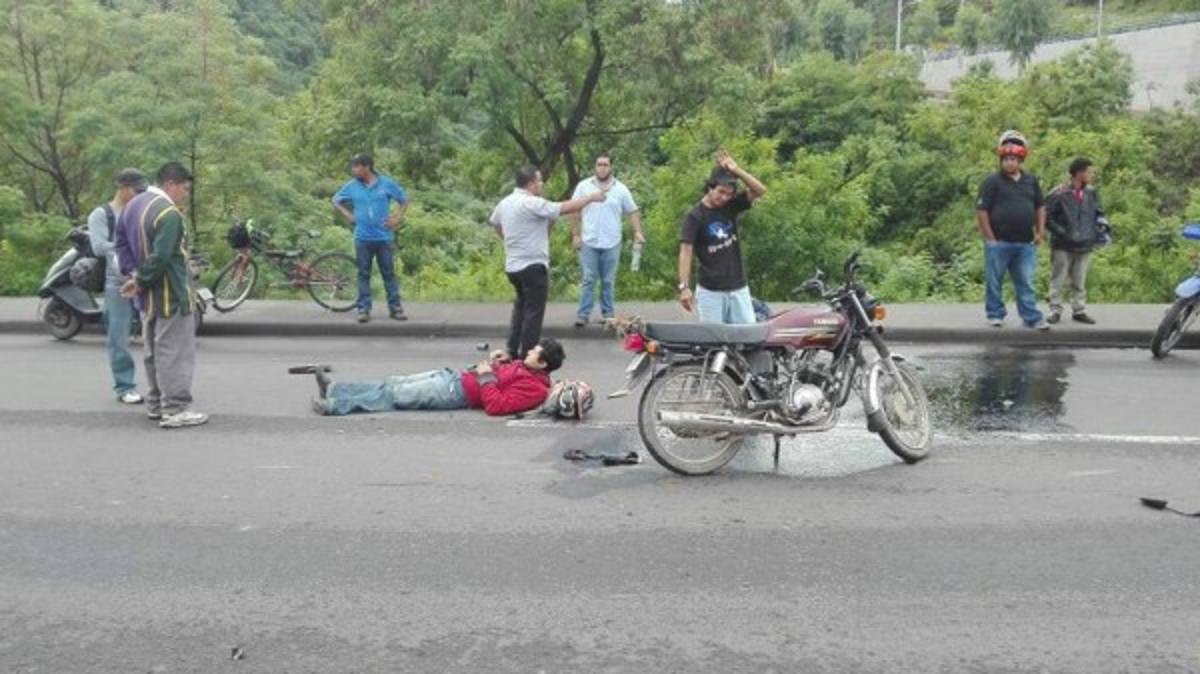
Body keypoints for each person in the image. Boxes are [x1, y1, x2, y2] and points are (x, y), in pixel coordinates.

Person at [115, 162, 207, 428]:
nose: (185, 194)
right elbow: (163, 256)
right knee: (174, 352)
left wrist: (132, 275)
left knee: (152, 351)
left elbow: (120, 242)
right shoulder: (168, 213)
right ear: (171, 184)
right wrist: (141, 279)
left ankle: (156, 404)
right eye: (185, 189)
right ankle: (175, 408)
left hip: (146, 298)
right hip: (172, 295)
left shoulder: (133, 205)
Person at [489, 165, 606, 359]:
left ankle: (512, 349)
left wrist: (510, 241)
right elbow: (564, 208)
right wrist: (590, 198)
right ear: (531, 183)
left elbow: (495, 223)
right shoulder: (531, 203)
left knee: (520, 308)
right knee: (533, 314)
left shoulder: (505, 203)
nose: (542, 183)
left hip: (513, 266)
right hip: (533, 265)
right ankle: (527, 356)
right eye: (540, 180)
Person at [307, 338, 566, 417]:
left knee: (394, 396)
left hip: (455, 393)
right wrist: (502, 362)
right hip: (453, 377)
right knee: (391, 384)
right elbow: (505, 377)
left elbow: (497, 406)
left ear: (542, 363)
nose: (529, 351)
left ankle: (334, 407)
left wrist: (487, 376)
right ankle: (335, 389)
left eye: (535, 352)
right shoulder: (527, 368)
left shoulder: (534, 388)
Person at [677, 150, 768, 324]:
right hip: (711, 291)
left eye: (729, 194)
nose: (724, 197)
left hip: (738, 287)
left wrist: (737, 171)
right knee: (715, 341)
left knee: (747, 337)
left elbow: (760, 190)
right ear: (710, 187)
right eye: (720, 192)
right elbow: (686, 252)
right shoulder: (695, 216)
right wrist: (684, 287)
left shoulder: (730, 206)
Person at [975, 130, 1050, 331]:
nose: (1010, 163)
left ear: (1021, 160)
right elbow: (982, 211)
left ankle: (1031, 317)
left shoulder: (1030, 181)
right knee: (994, 281)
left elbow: (1040, 207)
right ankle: (995, 314)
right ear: (1001, 159)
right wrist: (990, 238)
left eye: (1014, 159)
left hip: (1025, 243)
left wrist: (1040, 232)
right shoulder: (992, 181)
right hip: (999, 242)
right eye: (1006, 159)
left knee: (1026, 282)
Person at [88, 168, 148, 405]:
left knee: (155, 335)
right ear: (122, 188)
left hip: (145, 278)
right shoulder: (102, 214)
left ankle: (161, 385)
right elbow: (98, 246)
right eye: (136, 190)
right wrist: (125, 245)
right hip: (118, 282)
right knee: (119, 336)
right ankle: (125, 386)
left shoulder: (142, 209)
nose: (139, 195)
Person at [332, 153, 410, 323]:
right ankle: (364, 309)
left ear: (366, 167)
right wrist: (348, 215)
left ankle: (395, 308)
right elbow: (336, 200)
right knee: (363, 274)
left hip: (383, 238)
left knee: (388, 274)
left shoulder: (386, 184)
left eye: (356, 166)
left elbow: (404, 200)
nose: (353, 170)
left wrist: (397, 218)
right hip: (362, 238)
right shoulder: (352, 186)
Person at [570, 153, 644, 327]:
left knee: (608, 280)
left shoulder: (621, 189)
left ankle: (608, 315)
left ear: (611, 167)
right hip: (589, 240)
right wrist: (575, 234)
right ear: (595, 167)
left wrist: (638, 232)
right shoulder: (584, 187)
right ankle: (583, 315)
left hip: (612, 241)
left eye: (605, 164)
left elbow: (632, 211)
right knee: (588, 278)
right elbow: (573, 210)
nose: (602, 168)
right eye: (599, 164)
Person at [1045, 158, 1104, 325]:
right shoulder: (1059, 193)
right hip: (1063, 244)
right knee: (1059, 278)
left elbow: (1098, 213)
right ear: (1078, 173)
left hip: (1085, 243)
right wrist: (1062, 232)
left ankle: (1079, 310)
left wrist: (1098, 232)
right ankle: (1055, 309)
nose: (1091, 175)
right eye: (1088, 171)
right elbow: (1047, 216)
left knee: (1080, 279)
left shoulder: (1091, 193)